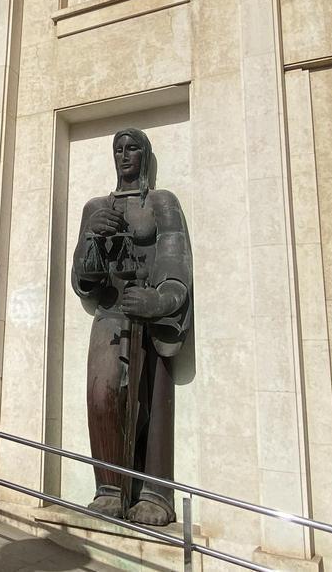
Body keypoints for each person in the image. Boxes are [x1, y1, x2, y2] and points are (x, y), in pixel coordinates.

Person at [71, 128, 192, 526]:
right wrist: (92, 237)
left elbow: (176, 262)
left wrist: (160, 300)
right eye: (118, 149)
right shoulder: (95, 207)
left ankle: (155, 494)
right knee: (101, 392)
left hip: (148, 313)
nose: (124, 155)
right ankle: (109, 488)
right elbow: (83, 279)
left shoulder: (162, 202)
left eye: (133, 148)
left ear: (145, 154)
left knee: (152, 400)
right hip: (110, 312)